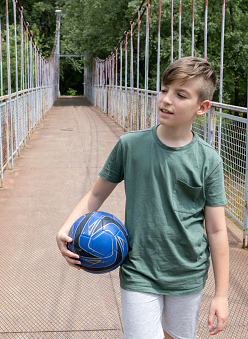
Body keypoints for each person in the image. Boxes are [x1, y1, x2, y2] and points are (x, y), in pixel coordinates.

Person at [56, 56, 229, 339]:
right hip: (138, 269)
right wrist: (66, 227)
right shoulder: (130, 145)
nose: (166, 100)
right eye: (164, 90)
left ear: (202, 108)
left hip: (187, 273)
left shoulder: (208, 160)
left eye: (180, 95)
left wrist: (221, 294)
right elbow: (97, 193)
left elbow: (217, 229)